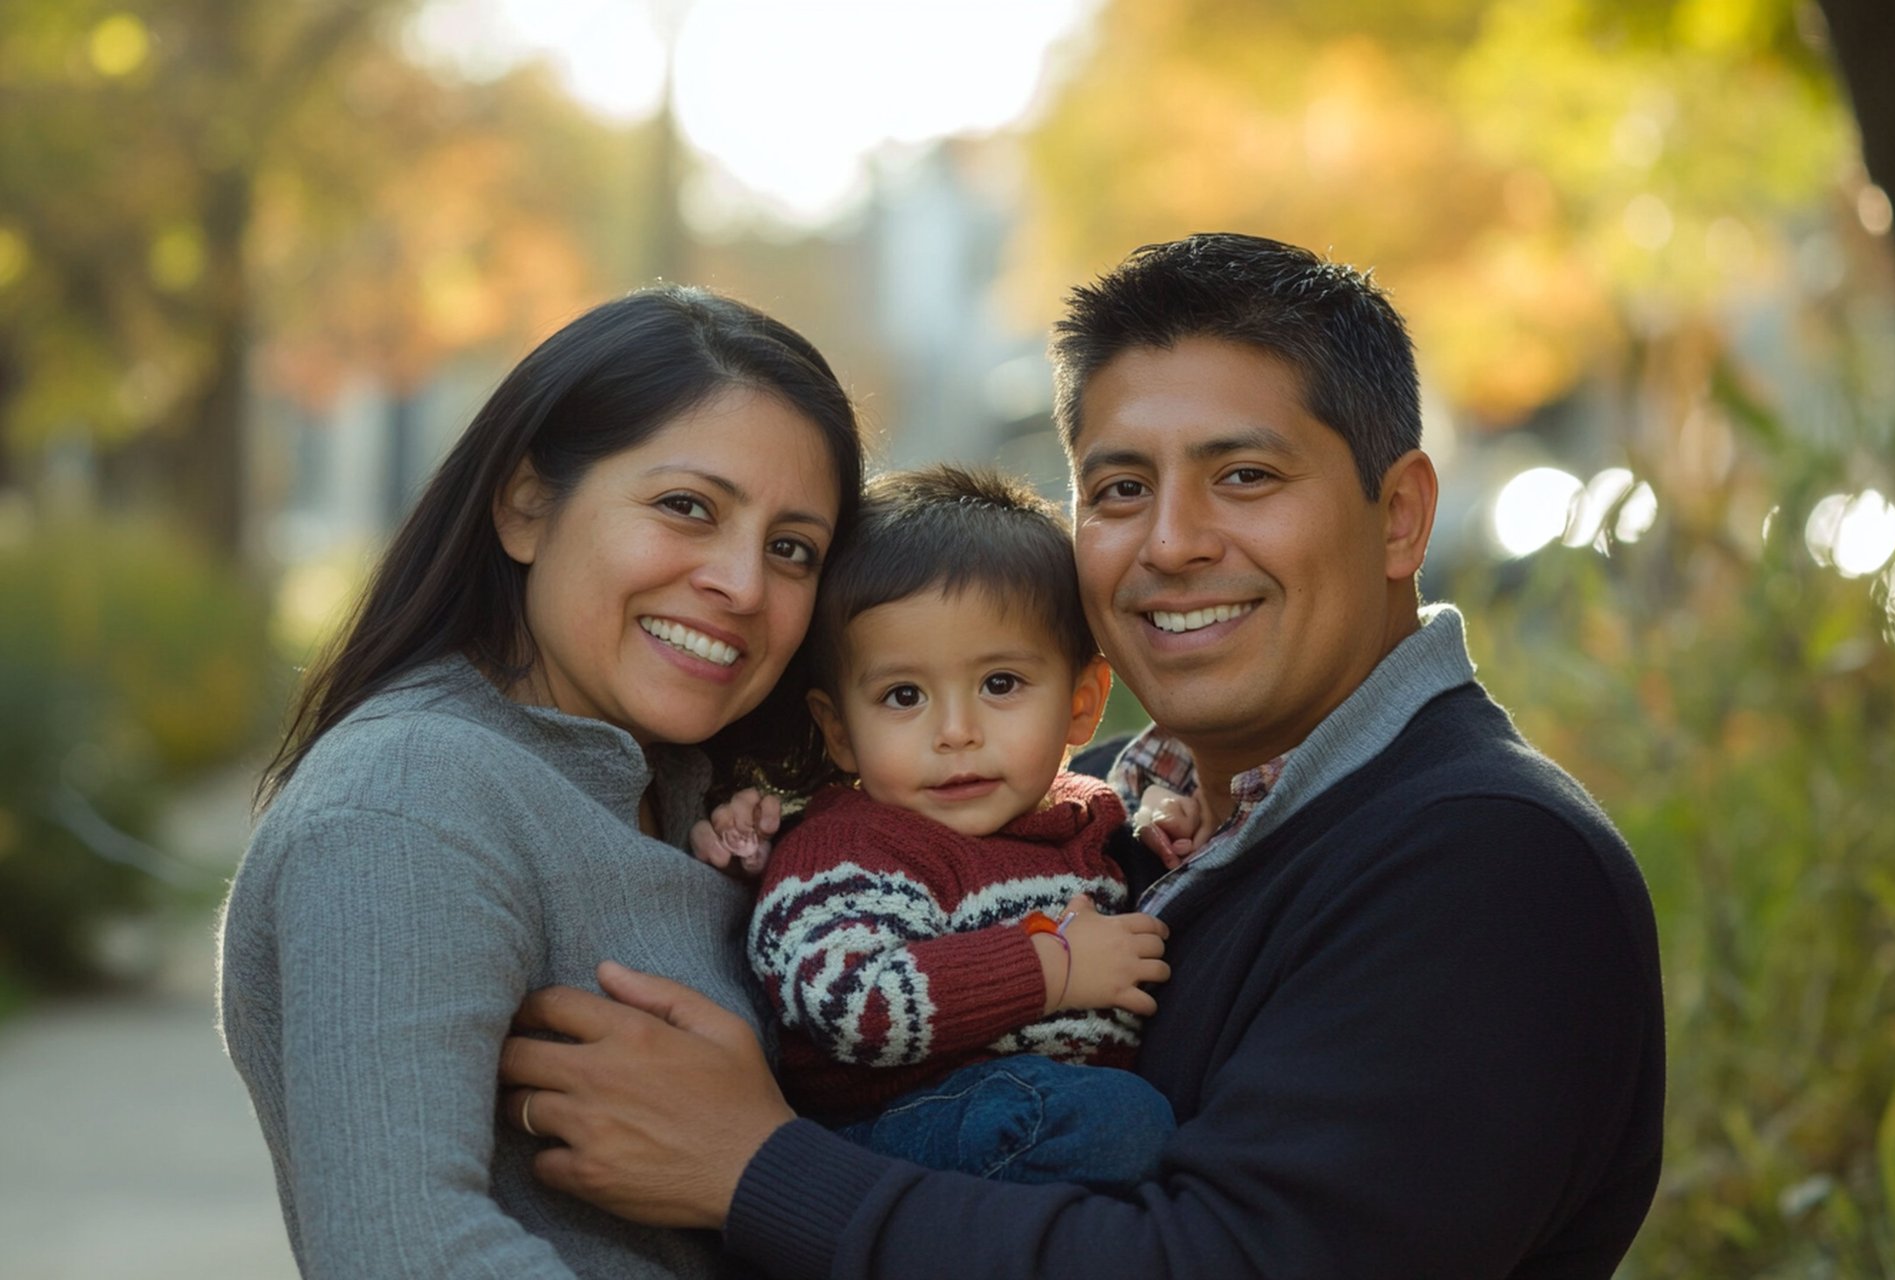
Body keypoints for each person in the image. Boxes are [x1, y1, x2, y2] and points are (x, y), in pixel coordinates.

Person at [497, 234, 1667, 1278]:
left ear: (1401, 514)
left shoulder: (1491, 860)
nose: (1172, 542)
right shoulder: (1101, 803)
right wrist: (775, 820)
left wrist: (756, 1169)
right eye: (1119, 488)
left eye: (1244, 476)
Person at [217, 287, 863, 1278]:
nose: (742, 582)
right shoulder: (410, 799)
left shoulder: (704, 798)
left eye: (792, 548)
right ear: (526, 504)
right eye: (687, 506)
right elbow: (405, 1249)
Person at [706, 465, 1173, 1188]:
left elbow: (1109, 798)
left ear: (1082, 703)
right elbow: (846, 999)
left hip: (1026, 1117)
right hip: (897, 1131)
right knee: (1117, 1120)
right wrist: (1054, 967)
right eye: (903, 695)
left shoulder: (1080, 813)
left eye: (1000, 684)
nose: (956, 732)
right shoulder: (855, 847)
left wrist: (1166, 814)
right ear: (839, 731)